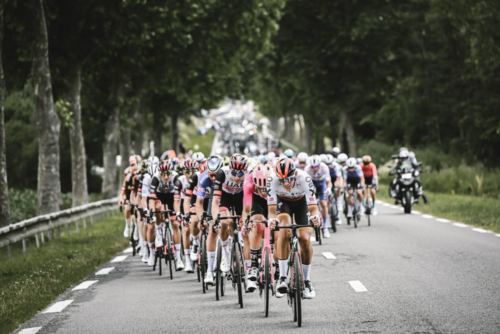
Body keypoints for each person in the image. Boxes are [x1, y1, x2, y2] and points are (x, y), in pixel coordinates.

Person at [267, 158, 320, 299]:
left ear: (295, 173)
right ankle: (282, 278)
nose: (286, 183)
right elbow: (271, 210)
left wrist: (316, 217)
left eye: (289, 179)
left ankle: (307, 281)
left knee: (304, 238)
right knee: (284, 230)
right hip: (283, 203)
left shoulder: (304, 178)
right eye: (282, 180)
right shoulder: (271, 179)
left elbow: (313, 208)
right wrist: (272, 220)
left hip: (302, 204)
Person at [210, 155, 248, 275]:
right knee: (225, 222)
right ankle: (226, 253)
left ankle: (239, 246)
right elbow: (215, 201)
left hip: (240, 198)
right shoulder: (221, 173)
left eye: (240, 174)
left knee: (242, 224)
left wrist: (245, 219)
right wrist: (216, 219)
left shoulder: (248, 177)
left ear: (245, 172)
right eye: (234, 173)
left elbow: (248, 203)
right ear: (229, 170)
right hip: (225, 197)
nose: (237, 177)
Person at [146, 159, 185, 270]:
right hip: (159, 196)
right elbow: (152, 198)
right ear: (160, 173)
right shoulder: (156, 178)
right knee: (158, 209)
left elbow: (178, 199)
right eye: (163, 174)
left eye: (168, 173)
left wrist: (178, 213)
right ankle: (158, 233)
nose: (166, 176)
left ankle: (178, 259)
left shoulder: (176, 177)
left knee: (175, 224)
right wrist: (151, 213)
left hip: (172, 197)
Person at [242, 164, 274, 292]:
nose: (263, 192)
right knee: (257, 224)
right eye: (260, 188)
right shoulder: (249, 181)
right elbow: (246, 209)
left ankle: (276, 262)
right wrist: (247, 222)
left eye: (266, 188)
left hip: (273, 200)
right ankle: (253, 266)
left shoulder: (275, 181)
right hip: (256, 202)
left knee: (278, 227)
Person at [304, 155, 332, 234]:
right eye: (313, 167)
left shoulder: (324, 167)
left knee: (324, 204)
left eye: (316, 166)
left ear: (319, 164)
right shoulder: (307, 169)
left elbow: (328, 181)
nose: (315, 168)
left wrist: (329, 189)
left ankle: (325, 226)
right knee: (311, 205)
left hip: (322, 184)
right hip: (312, 184)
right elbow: (306, 183)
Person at [324, 154, 343, 229]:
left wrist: (340, 186)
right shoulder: (323, 167)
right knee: (327, 201)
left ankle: (338, 212)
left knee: (336, 194)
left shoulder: (336, 166)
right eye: (327, 164)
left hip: (334, 179)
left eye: (330, 164)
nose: (328, 165)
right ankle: (328, 218)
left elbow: (339, 177)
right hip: (326, 181)